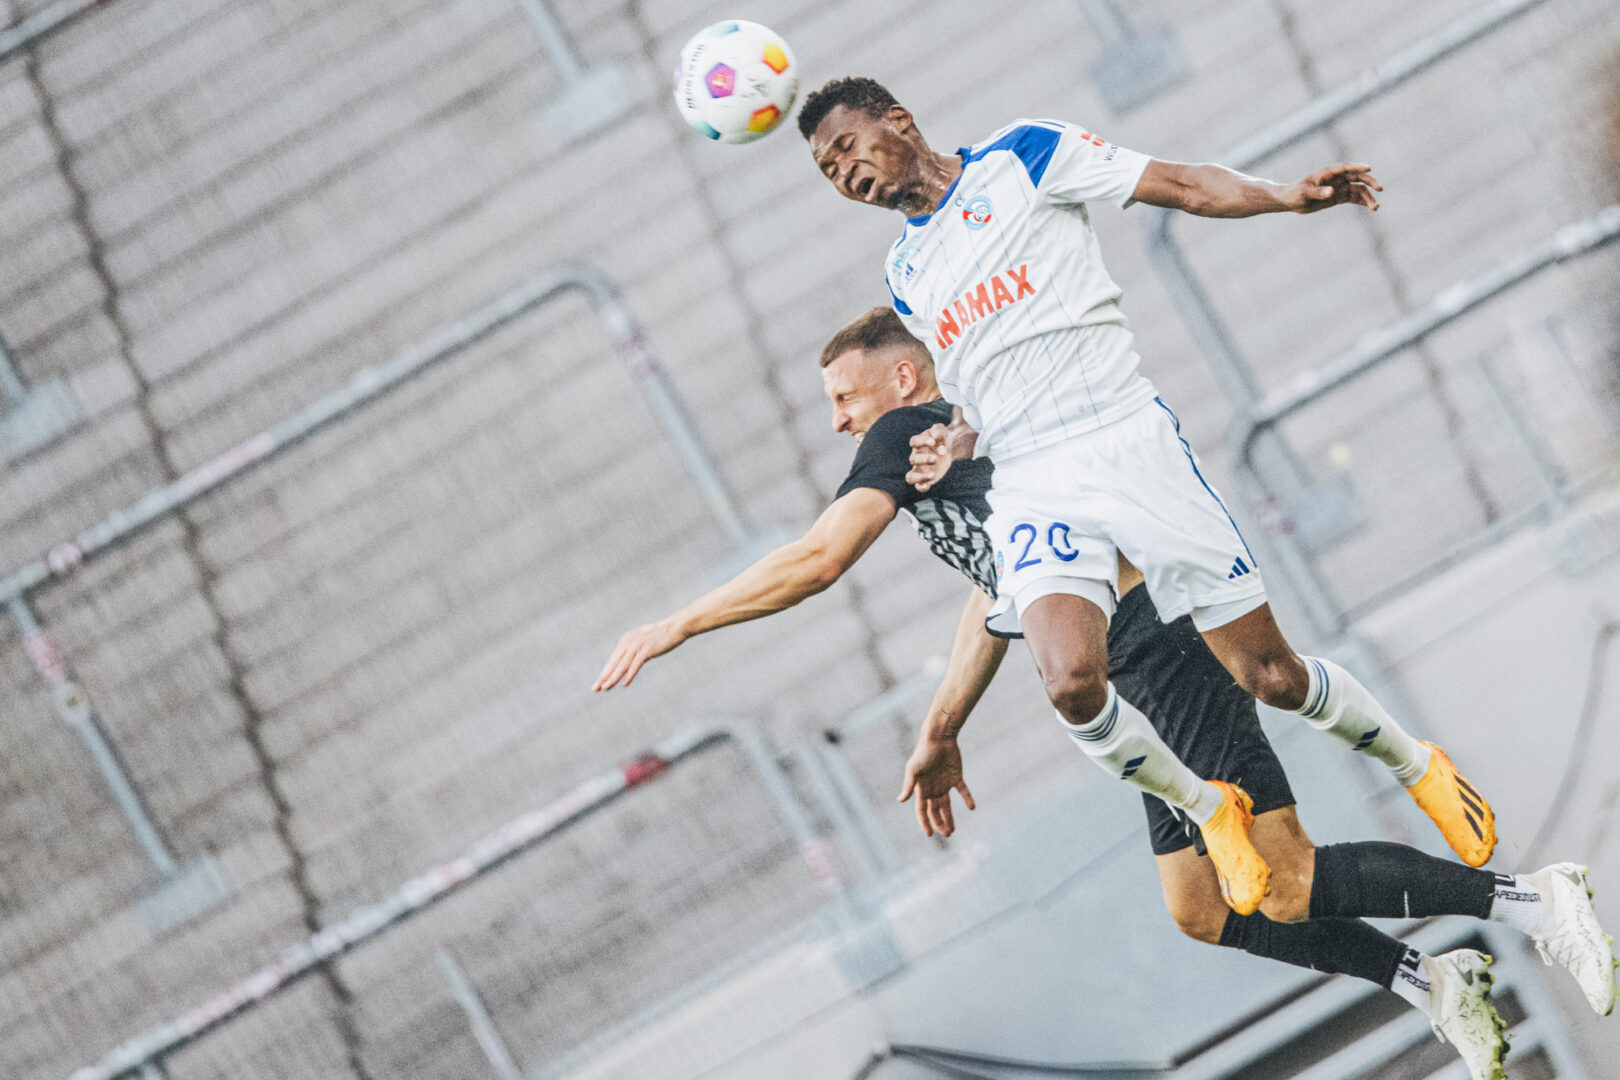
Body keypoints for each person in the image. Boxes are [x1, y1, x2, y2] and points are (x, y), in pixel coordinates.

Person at [596, 308, 1616, 1080]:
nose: (838, 423)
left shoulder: (903, 435)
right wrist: (942, 726)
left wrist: (679, 622)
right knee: (1201, 908)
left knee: (1284, 881)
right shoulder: (965, 461)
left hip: (1154, 646)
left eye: (843, 399)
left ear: (901, 379)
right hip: (1128, 670)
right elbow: (996, 595)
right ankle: (1431, 978)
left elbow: (820, 559)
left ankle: (1532, 902)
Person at [796, 76, 1496, 919]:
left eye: (847, 146)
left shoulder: (1025, 156)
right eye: (827, 168)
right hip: (1035, 480)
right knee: (1069, 683)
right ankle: (1209, 809)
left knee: (1270, 676)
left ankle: (1416, 764)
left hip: (1126, 442)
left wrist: (1284, 196)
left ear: (899, 122)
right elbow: (983, 375)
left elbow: (1186, 184)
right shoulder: (906, 271)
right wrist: (960, 434)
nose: (843, 171)